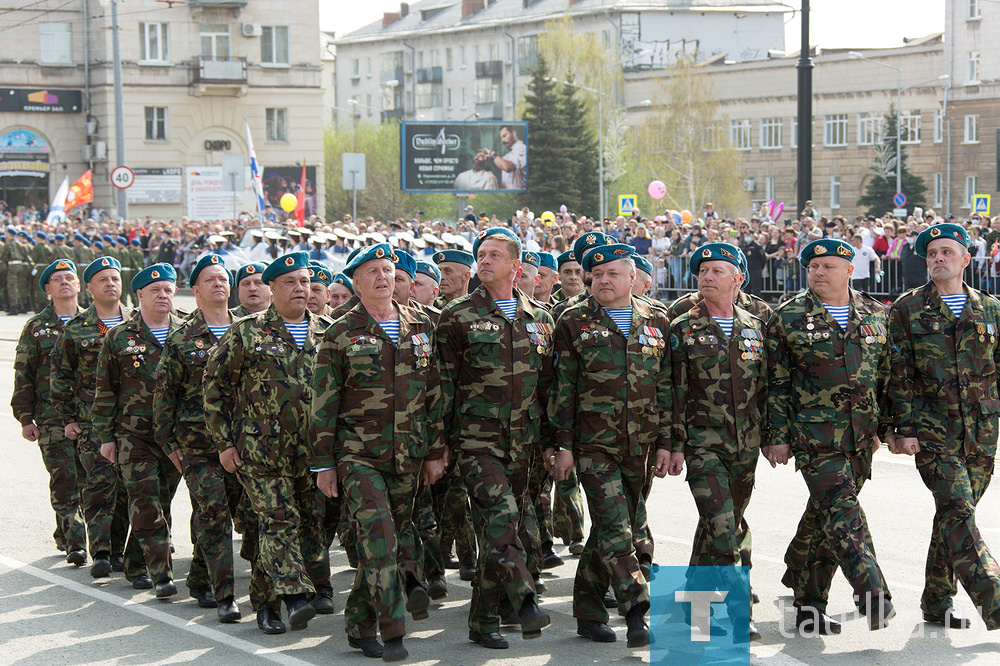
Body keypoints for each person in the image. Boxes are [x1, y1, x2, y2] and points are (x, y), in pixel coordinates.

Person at [310, 243, 447, 661]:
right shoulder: (340, 332)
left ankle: (357, 621)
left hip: (407, 455)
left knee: (382, 545)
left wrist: (434, 451)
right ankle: (393, 633)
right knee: (381, 542)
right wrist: (323, 463)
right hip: (358, 457)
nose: (383, 278)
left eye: (388, 270)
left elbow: (434, 394)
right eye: (372, 271)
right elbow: (323, 403)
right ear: (355, 282)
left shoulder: (420, 325)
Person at [766, 238, 894, 635]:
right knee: (843, 512)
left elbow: (885, 378)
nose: (819, 273)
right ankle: (871, 591)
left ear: (849, 269)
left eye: (828, 266)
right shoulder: (788, 317)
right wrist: (777, 436)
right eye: (813, 266)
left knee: (826, 520)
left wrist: (888, 429)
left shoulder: (875, 314)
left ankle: (808, 602)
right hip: (814, 437)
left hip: (860, 439)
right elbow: (775, 384)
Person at [548, 242, 672, 649]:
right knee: (619, 527)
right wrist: (561, 445)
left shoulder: (657, 319)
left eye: (613, 273)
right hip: (593, 446)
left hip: (641, 442)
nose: (603, 280)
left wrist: (668, 443)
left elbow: (667, 387)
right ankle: (636, 610)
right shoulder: (572, 320)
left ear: (632, 277)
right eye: (596, 275)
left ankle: (587, 611)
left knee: (607, 528)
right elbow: (562, 389)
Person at [204, 251, 332, 635]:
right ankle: (292, 595)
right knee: (279, 519)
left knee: (305, 525)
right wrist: (225, 444)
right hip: (260, 452)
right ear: (272, 288)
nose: (300, 289)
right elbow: (214, 390)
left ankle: (264, 605)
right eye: (290, 282)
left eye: (305, 282)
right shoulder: (246, 332)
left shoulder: (327, 332)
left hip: (312, 452)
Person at [437, 227, 553, 649]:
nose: (484, 261)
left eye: (494, 255)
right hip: (475, 441)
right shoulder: (457, 316)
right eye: (480, 255)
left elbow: (548, 388)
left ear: (515, 264)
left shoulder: (539, 318)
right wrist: (438, 446)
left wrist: (554, 443)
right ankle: (524, 600)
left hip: (524, 444)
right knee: (502, 518)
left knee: (500, 530)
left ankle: (483, 619)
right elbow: (441, 386)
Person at [886, 223, 1000, 631]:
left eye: (946, 252)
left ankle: (937, 601)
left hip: (982, 434)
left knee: (954, 516)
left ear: (966, 259)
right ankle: (995, 599)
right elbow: (896, 373)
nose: (938, 259)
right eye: (932, 253)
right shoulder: (907, 309)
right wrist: (901, 427)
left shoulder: (990, 309)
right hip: (933, 432)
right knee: (956, 509)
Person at [669, 243, 764, 643]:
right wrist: (672, 445)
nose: (707, 277)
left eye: (717, 271)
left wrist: (775, 438)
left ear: (738, 279)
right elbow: (670, 393)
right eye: (702, 271)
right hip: (702, 444)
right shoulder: (682, 329)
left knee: (718, 525)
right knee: (725, 530)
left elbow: (769, 388)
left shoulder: (755, 326)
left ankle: (694, 602)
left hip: (746, 446)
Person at [151, 254, 241, 623]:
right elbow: (164, 398)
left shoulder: (247, 331)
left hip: (242, 443)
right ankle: (226, 596)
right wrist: (171, 445)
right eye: (210, 279)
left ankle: (201, 576)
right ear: (196, 289)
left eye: (223, 278)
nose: (218, 284)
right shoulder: (182, 338)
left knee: (228, 512)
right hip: (198, 447)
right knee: (215, 513)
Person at [92, 263, 185, 599]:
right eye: (155, 290)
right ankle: (160, 573)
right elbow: (105, 390)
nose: (163, 295)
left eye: (168, 289)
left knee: (161, 500)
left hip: (174, 437)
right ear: (140, 295)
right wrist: (105, 437)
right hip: (134, 435)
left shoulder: (186, 332)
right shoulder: (118, 337)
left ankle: (135, 563)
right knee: (144, 500)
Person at [50, 256, 139, 581]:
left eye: (115, 278)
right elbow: (60, 378)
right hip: (92, 424)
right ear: (89, 287)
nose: (111, 284)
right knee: (100, 485)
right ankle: (100, 551)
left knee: (128, 489)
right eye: (103, 279)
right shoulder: (76, 328)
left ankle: (119, 550)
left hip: (132, 423)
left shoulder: (137, 323)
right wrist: (68, 419)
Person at [11, 259, 86, 564]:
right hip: (51, 417)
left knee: (90, 480)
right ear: (48, 289)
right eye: (57, 279)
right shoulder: (37, 327)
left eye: (70, 277)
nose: (65, 282)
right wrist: (24, 416)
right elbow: (24, 372)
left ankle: (67, 532)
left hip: (89, 417)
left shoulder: (94, 322)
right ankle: (76, 543)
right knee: (65, 478)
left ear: (80, 285)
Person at [493, 125, 526, 191]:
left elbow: (508, 167)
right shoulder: (507, 155)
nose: (502, 140)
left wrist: (493, 155)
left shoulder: (523, 149)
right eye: (501, 138)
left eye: (505, 136)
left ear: (513, 133)